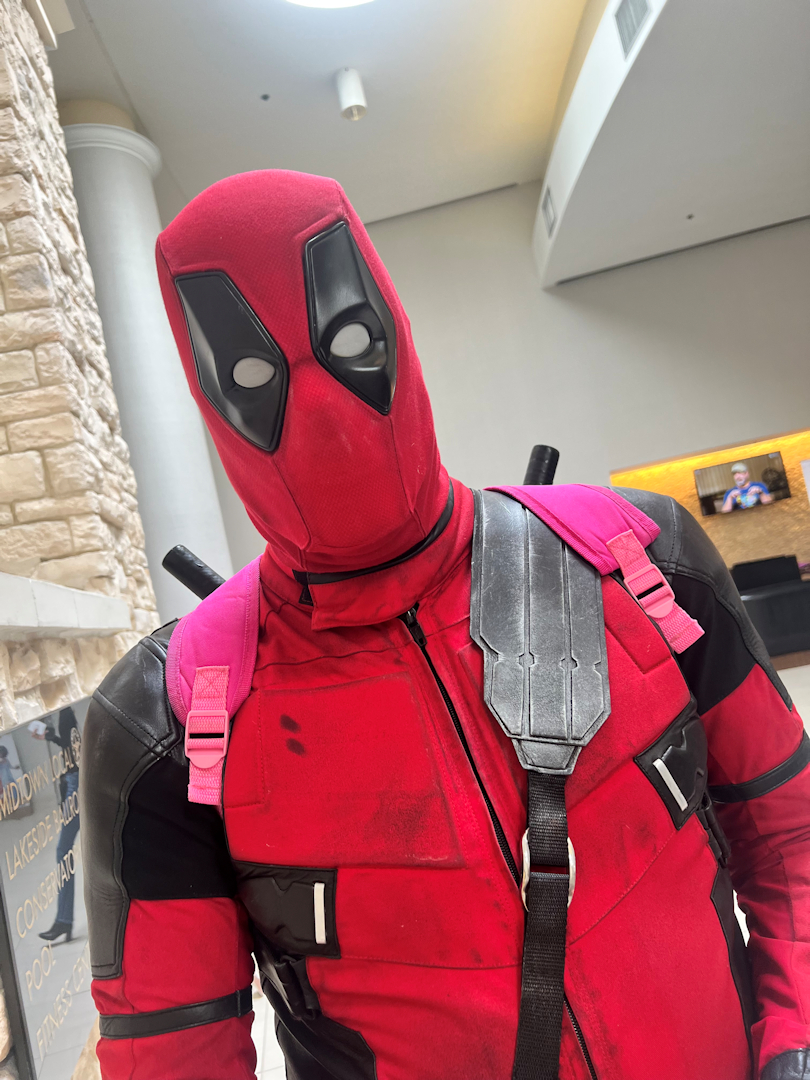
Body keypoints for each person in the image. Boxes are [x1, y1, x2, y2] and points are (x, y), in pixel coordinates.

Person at [80, 171, 810, 1080]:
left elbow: (789, 833)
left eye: (350, 342)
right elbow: (171, 1050)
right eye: (254, 377)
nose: (321, 407)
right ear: (210, 397)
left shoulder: (643, 555)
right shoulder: (163, 718)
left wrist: (795, 1040)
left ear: (391, 323)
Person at [39, 706, 80, 944]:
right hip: (75, 782)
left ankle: (64, 920)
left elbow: (73, 752)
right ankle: (64, 920)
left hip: (75, 785)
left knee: (63, 852)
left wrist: (53, 736)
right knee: (65, 852)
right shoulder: (66, 714)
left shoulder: (64, 713)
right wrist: (52, 737)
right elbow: (71, 747)